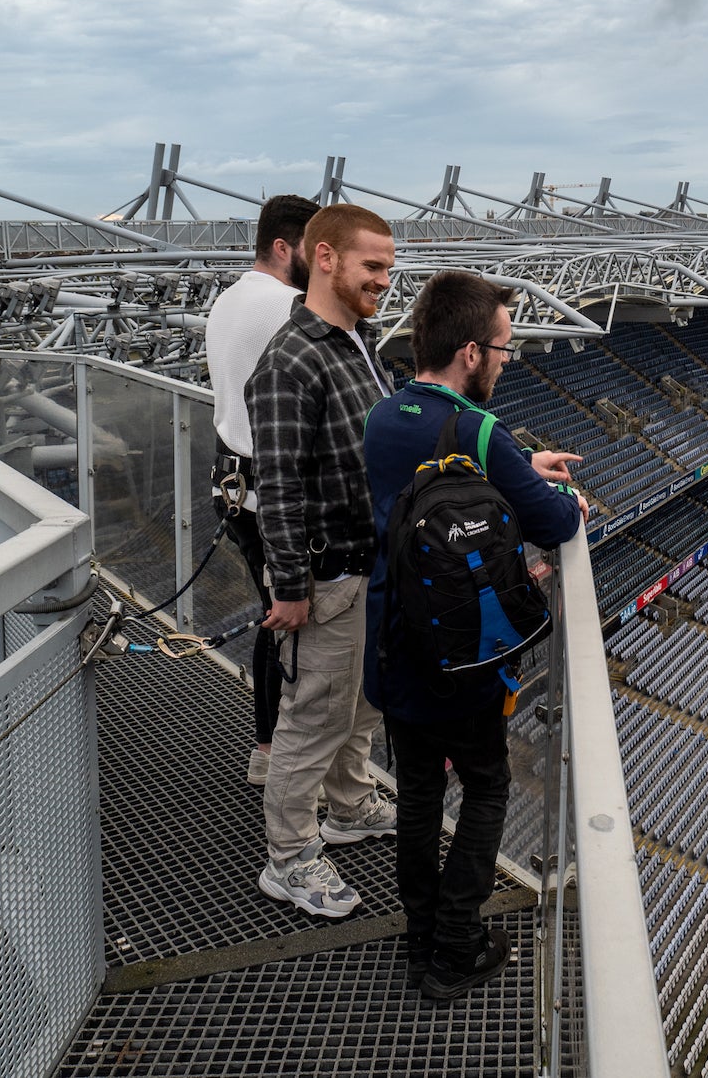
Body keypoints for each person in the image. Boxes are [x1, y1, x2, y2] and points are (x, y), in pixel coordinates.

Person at [362, 271, 586, 1000]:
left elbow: (433, 497)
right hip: (461, 657)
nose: (505, 359)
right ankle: (457, 944)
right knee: (486, 788)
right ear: (468, 351)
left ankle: (422, 933)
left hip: (395, 644)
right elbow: (555, 523)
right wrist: (553, 487)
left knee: (419, 794)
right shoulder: (482, 429)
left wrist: (521, 468)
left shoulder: (384, 416)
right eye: (502, 348)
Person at [247, 202, 400, 918]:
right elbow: (276, 482)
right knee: (311, 722)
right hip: (329, 576)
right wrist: (290, 587)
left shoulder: (358, 341)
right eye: (374, 266)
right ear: (327, 258)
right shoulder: (293, 357)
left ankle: (348, 807)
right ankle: (290, 858)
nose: (384, 281)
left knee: (360, 705)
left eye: (389, 269)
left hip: (368, 566)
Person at [207, 193, 319, 786]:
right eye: (314, 248)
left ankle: (269, 749)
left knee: (276, 617)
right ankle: (283, 765)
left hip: (237, 490)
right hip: (277, 495)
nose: (323, 262)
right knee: (295, 626)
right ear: (284, 247)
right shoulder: (292, 306)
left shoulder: (227, 301)